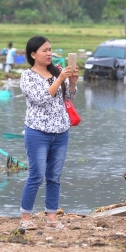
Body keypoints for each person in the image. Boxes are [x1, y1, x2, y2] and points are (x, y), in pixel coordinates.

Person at [18, 36, 78, 230]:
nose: (49, 53)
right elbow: (42, 99)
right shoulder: (28, 76)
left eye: (50, 49)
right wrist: (60, 79)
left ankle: (52, 218)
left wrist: (72, 83)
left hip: (61, 131)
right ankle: (25, 218)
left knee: (54, 176)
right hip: (38, 132)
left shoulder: (56, 71)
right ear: (33, 54)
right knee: (36, 175)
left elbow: (68, 97)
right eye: (44, 50)